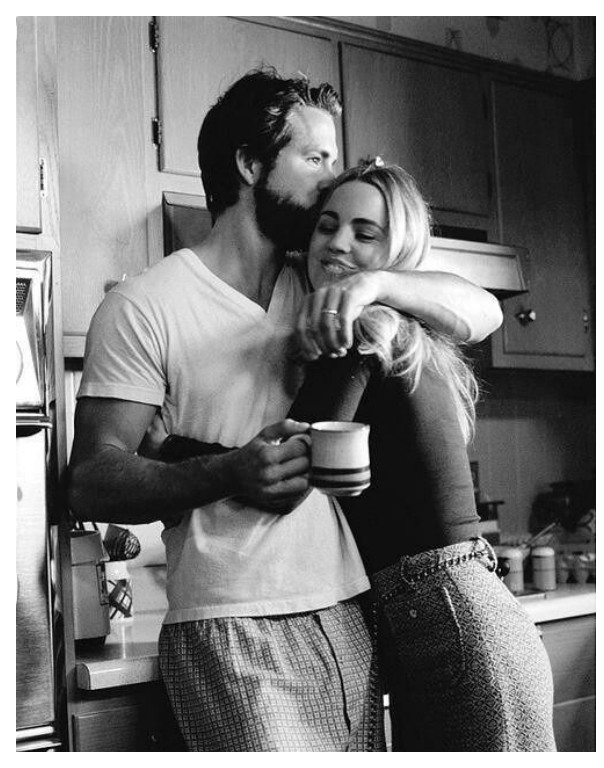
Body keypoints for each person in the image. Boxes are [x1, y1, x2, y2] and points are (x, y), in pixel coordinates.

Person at [65, 68, 501, 751]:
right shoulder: (143, 306)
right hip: (233, 625)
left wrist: (381, 282)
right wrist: (226, 471)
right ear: (249, 164)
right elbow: (90, 478)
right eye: (316, 157)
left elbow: (479, 309)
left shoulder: (329, 279)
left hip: (352, 613)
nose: (332, 177)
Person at [162, 160, 557, 751]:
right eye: (326, 225)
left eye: (364, 234)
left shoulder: (368, 327)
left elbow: (297, 462)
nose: (337, 243)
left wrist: (169, 446)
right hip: (446, 617)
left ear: (393, 251)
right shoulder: (398, 324)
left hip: (451, 621)